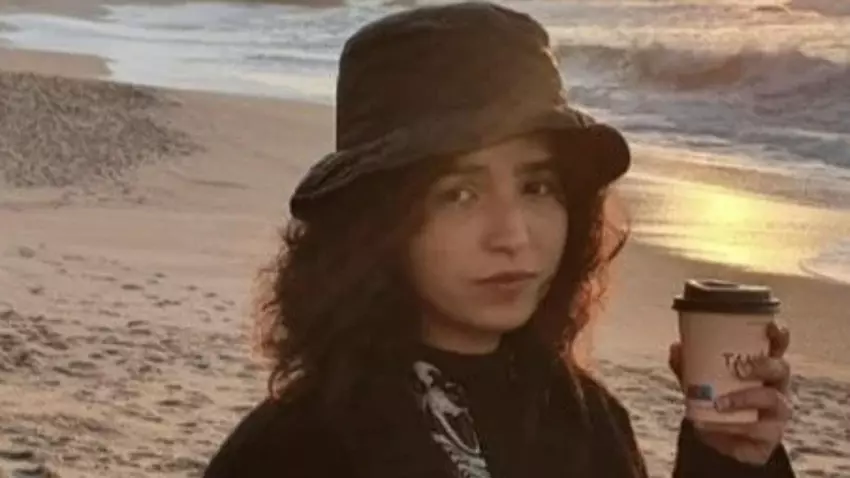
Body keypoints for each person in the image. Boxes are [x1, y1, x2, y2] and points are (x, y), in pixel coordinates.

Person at [202, 2, 795, 477]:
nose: (513, 235)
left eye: (537, 186)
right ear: (376, 222)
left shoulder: (583, 418)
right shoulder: (294, 452)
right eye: (458, 194)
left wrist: (729, 460)